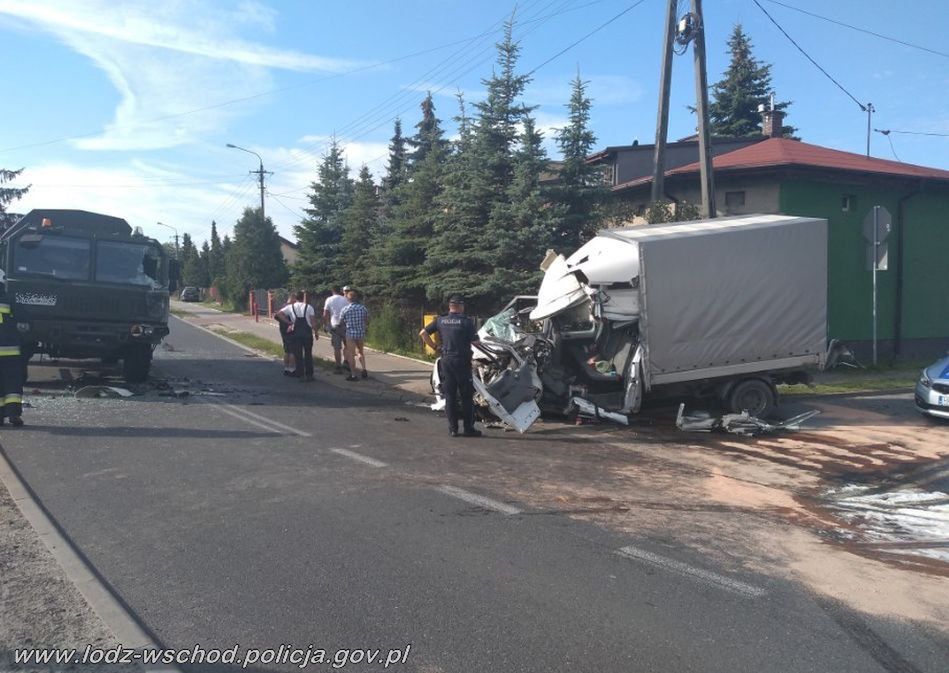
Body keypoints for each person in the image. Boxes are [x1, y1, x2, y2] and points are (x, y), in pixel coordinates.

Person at [419, 296, 481, 438]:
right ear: (460, 306)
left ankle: (453, 429)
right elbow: (476, 343)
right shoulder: (467, 322)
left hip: (446, 361)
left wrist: (435, 347)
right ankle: (468, 429)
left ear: (450, 307)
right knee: (466, 396)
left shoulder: (441, 320)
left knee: (450, 396)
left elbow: (423, 333)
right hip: (462, 361)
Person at [277, 291, 319, 382]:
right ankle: (309, 374)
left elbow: (279, 314)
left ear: (295, 298)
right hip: (307, 333)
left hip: (295, 333)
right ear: (303, 297)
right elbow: (313, 321)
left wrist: (289, 322)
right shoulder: (309, 307)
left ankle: (300, 375)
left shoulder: (290, 307)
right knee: (308, 354)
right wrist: (316, 332)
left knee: (298, 355)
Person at [0, 271, 24, 427]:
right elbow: (24, 317)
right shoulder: (9, 299)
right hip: (10, 353)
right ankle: (14, 414)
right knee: (12, 384)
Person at [339, 289, 369, 381]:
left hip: (350, 333)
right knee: (360, 351)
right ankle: (364, 369)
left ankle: (353, 375)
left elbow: (341, 322)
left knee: (351, 355)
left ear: (348, 299)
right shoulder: (363, 308)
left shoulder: (345, 309)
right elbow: (367, 319)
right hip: (360, 332)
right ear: (356, 298)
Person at [322, 286, 349, 374]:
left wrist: (326, 325)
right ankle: (346, 361)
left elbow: (325, 313)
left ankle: (338, 366)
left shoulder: (329, 300)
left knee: (337, 348)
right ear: (340, 291)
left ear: (332, 291)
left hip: (335, 325)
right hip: (345, 325)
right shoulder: (345, 299)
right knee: (347, 345)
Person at [274, 294, 296, 376]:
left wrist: (282, 322)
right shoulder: (290, 307)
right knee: (292, 351)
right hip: (290, 330)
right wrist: (288, 323)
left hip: (283, 330)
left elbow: (276, 316)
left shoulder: (283, 306)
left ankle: (286, 369)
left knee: (286, 350)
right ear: (292, 299)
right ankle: (292, 369)